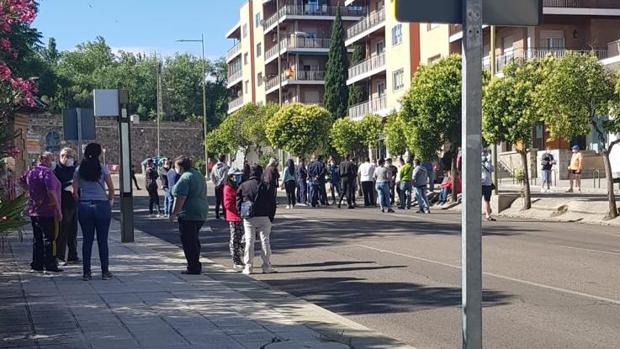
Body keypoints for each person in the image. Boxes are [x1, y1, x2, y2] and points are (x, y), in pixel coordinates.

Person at [73, 143, 114, 280]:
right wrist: (109, 200)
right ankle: (105, 272)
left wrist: (80, 201)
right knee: (103, 240)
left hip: (85, 205)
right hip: (101, 205)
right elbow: (111, 188)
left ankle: (86, 273)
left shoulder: (79, 170)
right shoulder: (103, 169)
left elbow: (74, 192)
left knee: (87, 240)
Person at [23, 152, 63, 273]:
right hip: (47, 210)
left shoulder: (31, 171)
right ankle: (50, 263)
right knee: (50, 237)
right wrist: (58, 209)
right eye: (50, 159)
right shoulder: (46, 173)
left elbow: (21, 181)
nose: (51, 162)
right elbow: (51, 192)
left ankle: (37, 263)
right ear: (44, 159)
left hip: (34, 210)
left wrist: (31, 193)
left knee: (37, 238)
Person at [170, 156, 209, 275]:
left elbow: (181, 197)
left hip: (189, 213)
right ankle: (195, 264)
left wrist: (174, 213)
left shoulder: (185, 178)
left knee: (188, 241)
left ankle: (193, 266)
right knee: (194, 239)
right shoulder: (197, 174)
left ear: (180, 167)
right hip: (201, 211)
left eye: (176, 166)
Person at [236, 165, 277, 275]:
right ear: (261, 172)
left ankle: (248, 266)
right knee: (265, 241)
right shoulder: (266, 185)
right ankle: (266, 265)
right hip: (264, 216)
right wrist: (270, 217)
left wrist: (241, 213)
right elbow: (273, 202)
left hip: (249, 216)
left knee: (249, 241)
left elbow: (238, 201)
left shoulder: (244, 185)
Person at [53, 147, 79, 265]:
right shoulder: (57, 170)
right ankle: (60, 255)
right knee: (62, 230)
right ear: (60, 157)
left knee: (73, 230)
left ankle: (73, 255)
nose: (67, 158)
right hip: (62, 203)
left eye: (69, 156)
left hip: (73, 203)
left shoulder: (74, 169)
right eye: (64, 156)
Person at [223, 168, 245, 270]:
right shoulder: (228, 188)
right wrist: (238, 207)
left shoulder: (237, 186)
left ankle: (243, 257)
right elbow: (227, 204)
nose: (238, 177)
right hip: (233, 216)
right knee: (235, 239)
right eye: (236, 175)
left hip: (241, 216)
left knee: (243, 238)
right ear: (231, 176)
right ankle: (236, 260)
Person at [210, 155, 230, 220]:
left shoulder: (214, 166)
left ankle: (217, 214)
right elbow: (224, 177)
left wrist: (216, 183)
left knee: (217, 200)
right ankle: (225, 214)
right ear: (224, 159)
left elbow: (211, 176)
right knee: (224, 200)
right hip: (223, 185)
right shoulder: (225, 167)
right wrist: (220, 183)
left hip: (216, 186)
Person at [481, 149, 496, 221]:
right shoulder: (478, 162)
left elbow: (492, 169)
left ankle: (488, 215)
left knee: (487, 200)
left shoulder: (487, 162)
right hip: (481, 184)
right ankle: (487, 214)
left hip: (487, 184)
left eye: (485, 152)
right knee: (485, 200)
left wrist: (489, 162)